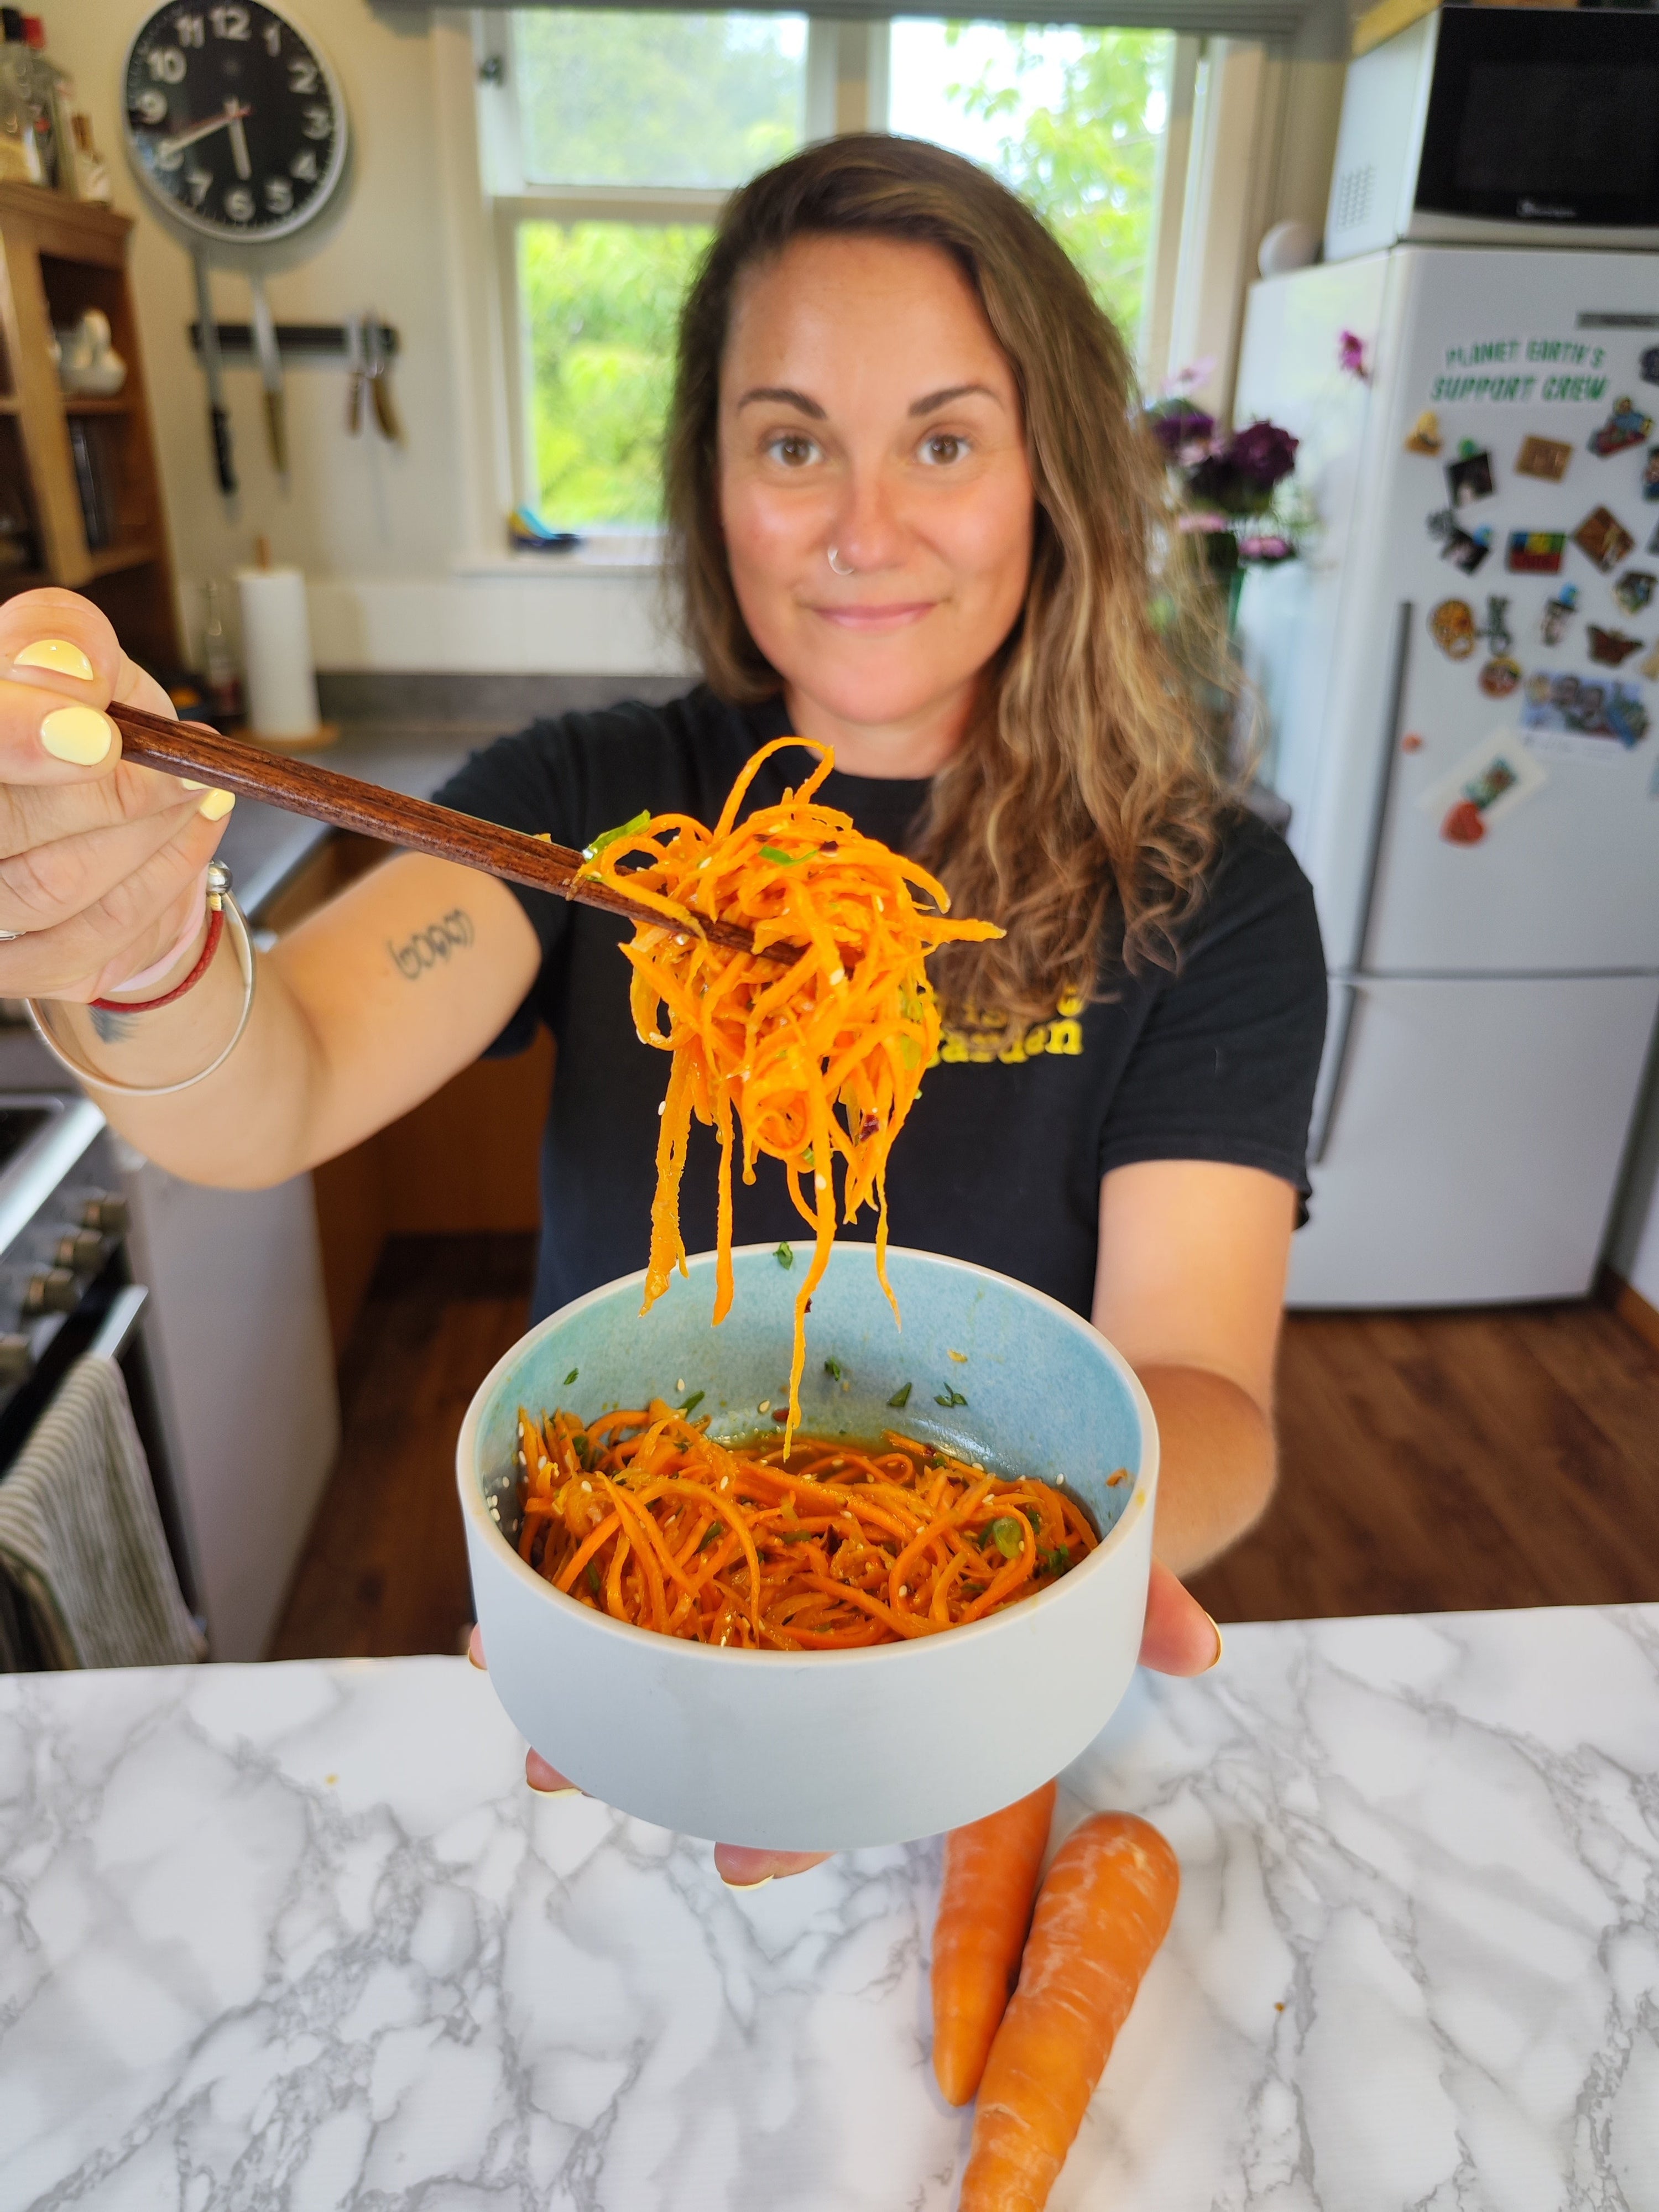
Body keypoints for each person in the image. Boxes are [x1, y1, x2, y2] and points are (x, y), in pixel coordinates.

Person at [0, 137, 1323, 1883]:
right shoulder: (601, 811)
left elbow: (1204, 1389)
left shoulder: (1205, 889)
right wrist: (138, 936)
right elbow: (278, 1083)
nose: (863, 527)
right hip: (613, 1652)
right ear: (715, 485)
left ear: (1051, 478)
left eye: (943, 439)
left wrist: (1037, 1593)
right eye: (793, 442)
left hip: (995, 1692)